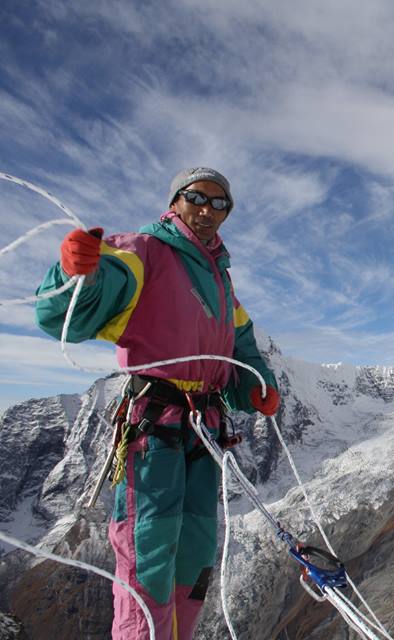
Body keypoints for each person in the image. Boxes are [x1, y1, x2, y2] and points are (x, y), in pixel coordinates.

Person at [35, 167, 281, 639]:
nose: (207, 210)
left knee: (194, 551)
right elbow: (67, 310)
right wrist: (73, 270)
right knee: (148, 550)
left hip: (203, 431)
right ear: (175, 201)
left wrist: (256, 386)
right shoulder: (142, 252)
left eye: (219, 203)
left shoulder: (221, 279)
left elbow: (240, 348)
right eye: (197, 198)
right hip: (154, 424)